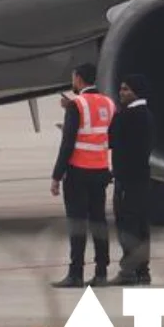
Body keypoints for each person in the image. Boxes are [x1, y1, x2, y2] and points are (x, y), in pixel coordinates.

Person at [51, 63, 115, 289]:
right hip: (100, 170)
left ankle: (76, 273)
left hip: (78, 172)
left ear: (78, 79)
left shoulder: (76, 105)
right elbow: (109, 136)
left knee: (77, 224)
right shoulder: (108, 103)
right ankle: (101, 271)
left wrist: (56, 175)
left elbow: (68, 143)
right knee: (99, 221)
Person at [109, 74, 155, 286]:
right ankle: (142, 270)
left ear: (136, 91)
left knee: (127, 226)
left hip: (126, 180)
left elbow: (111, 141)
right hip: (143, 178)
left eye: (126, 89)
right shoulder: (147, 114)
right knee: (142, 226)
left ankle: (128, 271)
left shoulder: (125, 116)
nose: (121, 93)